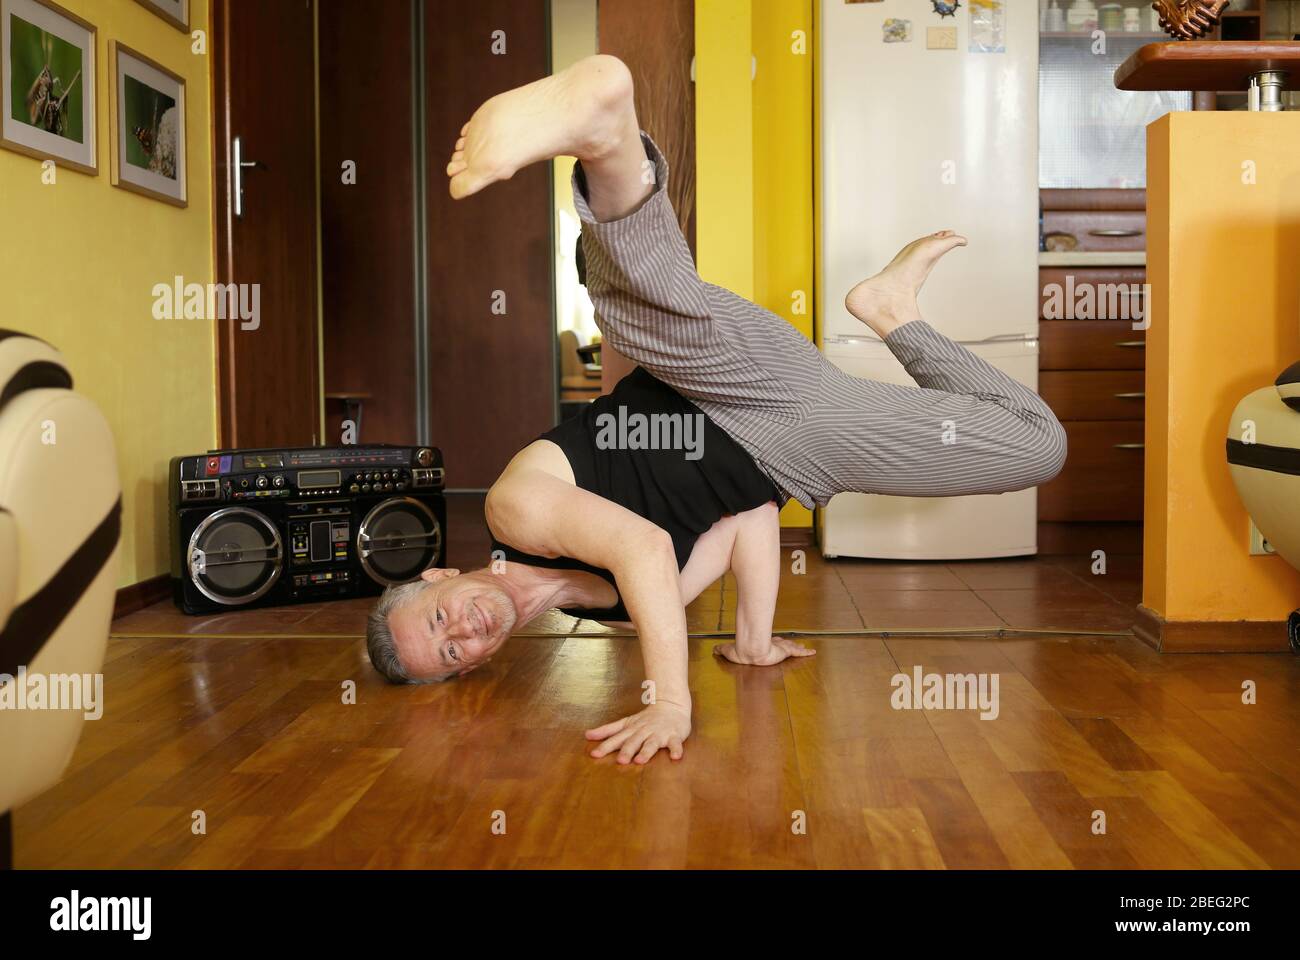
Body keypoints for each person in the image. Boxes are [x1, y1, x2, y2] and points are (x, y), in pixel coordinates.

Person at [366, 55, 1066, 765]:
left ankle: (608, 136)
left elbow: (640, 544)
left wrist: (670, 702)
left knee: (656, 314)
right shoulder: (603, 607)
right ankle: (891, 311)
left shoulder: (511, 513)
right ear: (472, 667)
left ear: (439, 578)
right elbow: (745, 512)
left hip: (718, 383)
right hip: (794, 448)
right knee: (1037, 446)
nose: (467, 627)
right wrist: (754, 639)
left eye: (441, 616)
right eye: (453, 650)